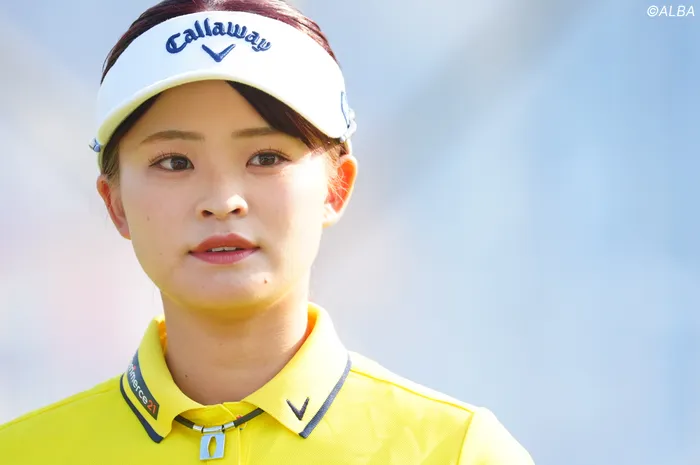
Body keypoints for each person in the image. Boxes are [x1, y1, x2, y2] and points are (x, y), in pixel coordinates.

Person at [0, 0, 535, 463]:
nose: (222, 201)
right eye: (174, 162)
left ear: (336, 188)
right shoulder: (20, 453)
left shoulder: (458, 451)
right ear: (114, 202)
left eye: (266, 157)